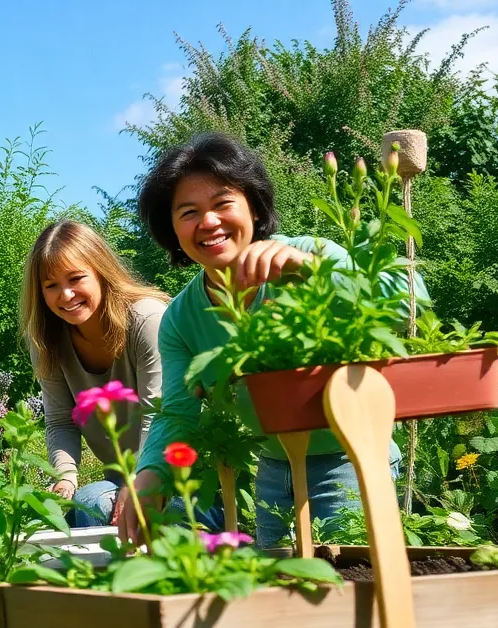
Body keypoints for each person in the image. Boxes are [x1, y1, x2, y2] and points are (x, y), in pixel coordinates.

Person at [120, 132, 429, 546]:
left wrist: (313, 272)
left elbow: (411, 300)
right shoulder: (180, 318)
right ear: (171, 229)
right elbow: (178, 411)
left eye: (222, 204)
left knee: (352, 586)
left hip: (350, 457)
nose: (208, 222)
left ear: (253, 206)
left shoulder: (305, 254)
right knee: (281, 592)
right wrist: (150, 476)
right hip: (271, 468)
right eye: (188, 212)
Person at [22, 220, 171, 527]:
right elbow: (61, 421)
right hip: (118, 482)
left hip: (177, 476)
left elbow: (156, 414)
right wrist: (65, 478)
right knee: (86, 502)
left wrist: (139, 483)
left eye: (76, 278)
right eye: (51, 286)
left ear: (101, 271)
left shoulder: (146, 319)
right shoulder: (45, 341)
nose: (65, 295)